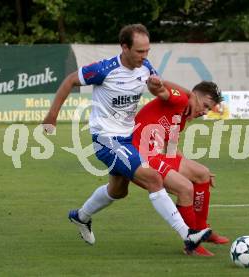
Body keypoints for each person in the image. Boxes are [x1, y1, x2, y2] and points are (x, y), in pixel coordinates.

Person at [42, 24, 211, 254]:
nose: (145, 56)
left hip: (128, 138)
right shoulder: (104, 69)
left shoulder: (146, 67)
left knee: (118, 191)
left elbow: (158, 87)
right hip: (106, 139)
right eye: (140, 51)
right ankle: (188, 235)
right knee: (153, 179)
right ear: (124, 47)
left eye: (147, 51)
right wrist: (52, 116)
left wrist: (157, 86)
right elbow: (71, 80)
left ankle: (81, 217)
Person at [132, 77, 229, 256]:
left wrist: (192, 169)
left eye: (209, 109)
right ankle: (192, 242)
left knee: (203, 174)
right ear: (196, 96)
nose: (205, 112)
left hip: (154, 154)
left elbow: (171, 149)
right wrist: (187, 93)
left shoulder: (182, 118)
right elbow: (159, 88)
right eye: (206, 106)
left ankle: (202, 230)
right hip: (139, 154)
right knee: (186, 188)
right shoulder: (181, 99)